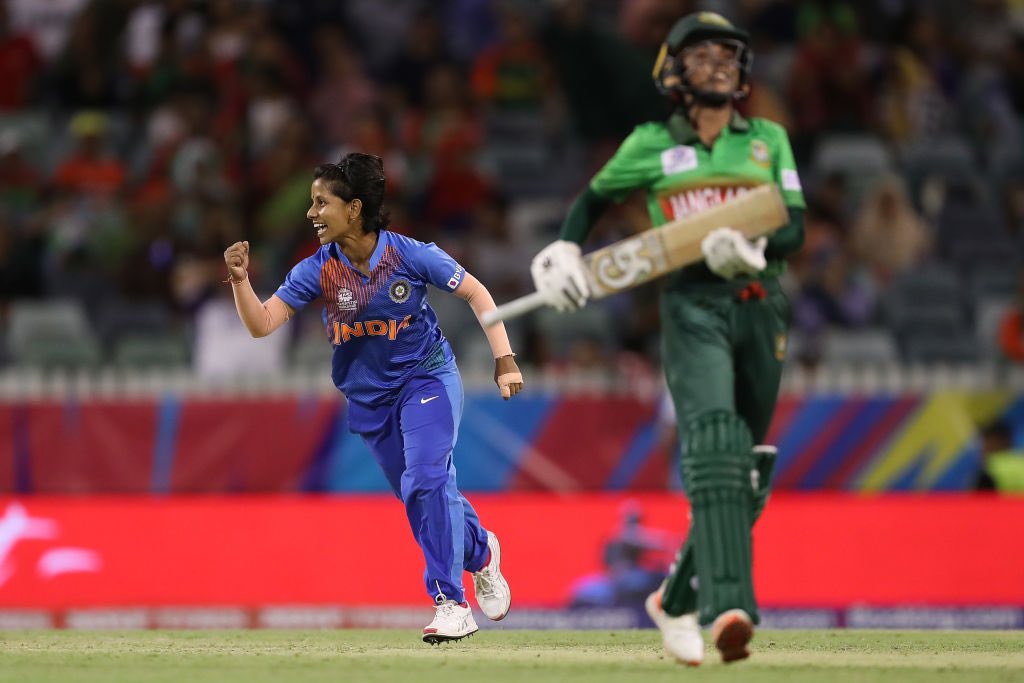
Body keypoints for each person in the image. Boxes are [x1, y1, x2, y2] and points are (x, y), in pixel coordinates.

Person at [529, 12, 804, 665]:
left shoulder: (768, 139)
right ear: (672, 71)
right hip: (691, 304)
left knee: (751, 465)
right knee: (714, 437)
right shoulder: (650, 143)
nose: (717, 64)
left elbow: (793, 227)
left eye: (728, 55)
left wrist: (756, 244)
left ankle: (674, 597)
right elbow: (590, 203)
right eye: (701, 54)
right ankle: (728, 605)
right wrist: (567, 249)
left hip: (762, 303)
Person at [223, 152, 522, 644]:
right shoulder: (316, 270)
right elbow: (262, 325)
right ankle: (482, 552)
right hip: (369, 401)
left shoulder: (410, 255)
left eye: (321, 202)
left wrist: (504, 357)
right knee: (423, 493)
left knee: (427, 479)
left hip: (427, 380)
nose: (311, 213)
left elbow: (477, 293)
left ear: (354, 208)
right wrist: (240, 281)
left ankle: (451, 603)